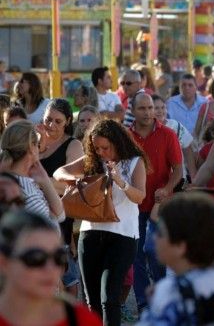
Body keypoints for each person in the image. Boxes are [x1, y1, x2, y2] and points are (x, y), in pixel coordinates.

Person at [53, 119, 147, 326]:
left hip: (123, 235)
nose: (101, 152)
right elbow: (58, 173)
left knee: (109, 298)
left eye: (105, 147)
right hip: (91, 232)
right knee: (91, 299)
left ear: (117, 142)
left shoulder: (134, 161)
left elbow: (140, 196)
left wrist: (121, 182)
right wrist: (79, 182)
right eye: (96, 148)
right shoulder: (92, 161)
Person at [137, 192, 214, 325]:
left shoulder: (169, 291)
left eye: (160, 232)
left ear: (180, 246)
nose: (155, 237)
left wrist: (154, 305)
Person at [129, 93, 183, 313]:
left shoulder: (168, 134)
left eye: (150, 108)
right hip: (132, 205)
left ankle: (160, 296)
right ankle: (143, 303)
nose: (148, 112)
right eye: (142, 108)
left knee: (155, 252)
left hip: (159, 206)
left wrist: (168, 188)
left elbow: (178, 170)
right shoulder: (125, 136)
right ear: (132, 110)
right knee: (136, 256)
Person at [0, 211, 102, 325]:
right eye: (36, 258)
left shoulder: (83, 320)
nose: (51, 268)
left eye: (59, 257)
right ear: (4, 262)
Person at [38, 99, 85, 296]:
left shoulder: (72, 144)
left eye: (58, 121)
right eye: (48, 120)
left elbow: (72, 184)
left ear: (67, 121)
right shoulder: (35, 141)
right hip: (34, 215)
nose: (51, 125)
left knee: (67, 282)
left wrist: (38, 181)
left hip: (60, 219)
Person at [0, 120, 65, 226]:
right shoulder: (24, 191)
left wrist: (45, 180)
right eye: (38, 145)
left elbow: (59, 215)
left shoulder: (18, 183)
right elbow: (58, 218)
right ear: (31, 147)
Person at [152, 94, 197, 179]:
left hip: (178, 180)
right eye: (156, 108)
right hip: (155, 180)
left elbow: (188, 151)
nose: (160, 111)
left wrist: (194, 177)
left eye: (163, 107)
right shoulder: (146, 130)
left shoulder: (175, 126)